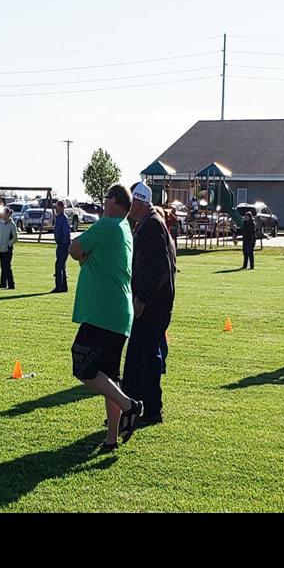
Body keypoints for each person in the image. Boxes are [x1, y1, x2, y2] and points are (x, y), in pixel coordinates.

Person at [68, 184, 144, 452]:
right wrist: (85, 256)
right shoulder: (124, 228)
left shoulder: (107, 225)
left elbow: (73, 249)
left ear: (113, 201)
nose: (103, 202)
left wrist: (84, 255)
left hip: (102, 313)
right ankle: (111, 438)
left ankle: (129, 405)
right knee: (110, 376)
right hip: (119, 315)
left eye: (105, 198)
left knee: (82, 366)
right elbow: (83, 255)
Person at [122, 181, 176, 426]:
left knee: (137, 358)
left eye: (131, 203)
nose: (128, 209)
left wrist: (142, 298)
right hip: (160, 304)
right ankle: (152, 409)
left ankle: (128, 408)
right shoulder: (154, 222)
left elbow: (158, 267)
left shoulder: (151, 225)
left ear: (139, 202)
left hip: (151, 306)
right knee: (151, 358)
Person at [0, 206, 18, 289]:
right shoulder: (1, 224)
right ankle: (3, 284)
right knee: (2, 266)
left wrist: (9, 244)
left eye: (4, 215)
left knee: (7, 266)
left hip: (8, 249)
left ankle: (11, 285)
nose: (2, 216)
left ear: (8, 214)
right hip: (1, 248)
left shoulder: (12, 225)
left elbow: (15, 238)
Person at [52, 200, 71, 293]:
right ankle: (64, 287)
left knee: (58, 266)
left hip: (63, 245)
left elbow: (66, 232)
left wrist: (63, 243)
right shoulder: (59, 218)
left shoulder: (62, 218)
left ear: (61, 208)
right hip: (61, 244)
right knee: (62, 266)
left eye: (57, 207)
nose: (56, 209)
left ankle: (59, 287)